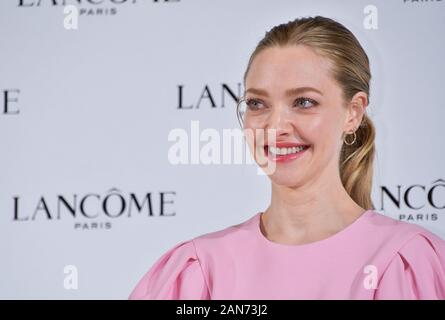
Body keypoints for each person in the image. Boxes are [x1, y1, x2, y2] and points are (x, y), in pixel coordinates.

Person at [129, 16, 445, 300]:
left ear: (353, 113)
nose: (275, 126)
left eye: (304, 102)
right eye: (257, 103)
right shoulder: (199, 269)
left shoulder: (405, 261)